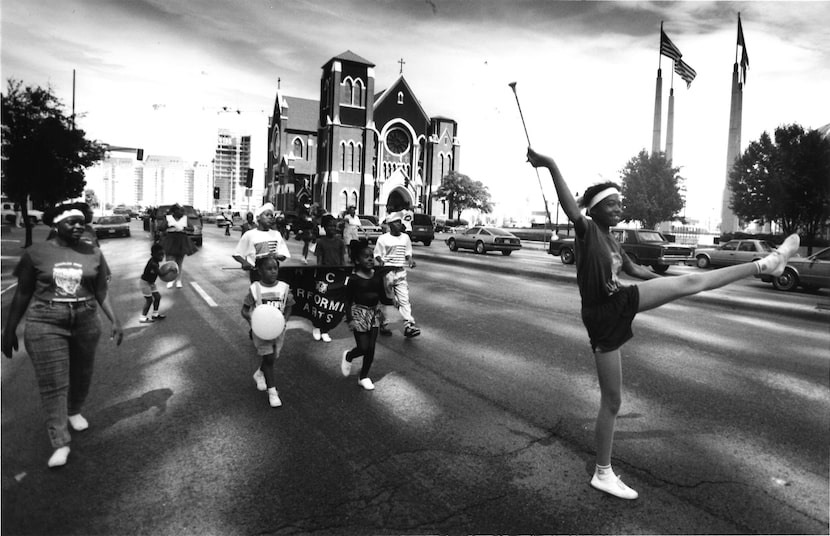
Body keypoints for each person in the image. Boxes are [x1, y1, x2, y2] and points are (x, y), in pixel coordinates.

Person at [526, 147, 800, 500]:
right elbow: (570, 207)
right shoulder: (587, 230)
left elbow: (635, 270)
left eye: (620, 203)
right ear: (594, 209)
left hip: (613, 306)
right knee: (690, 286)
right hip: (604, 311)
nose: (619, 208)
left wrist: (662, 274)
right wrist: (550, 164)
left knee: (612, 400)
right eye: (612, 204)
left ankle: (602, 473)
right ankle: (768, 264)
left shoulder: (612, 240)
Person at [1, 203, 124, 468]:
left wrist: (115, 320)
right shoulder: (36, 253)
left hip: (86, 318)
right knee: (54, 384)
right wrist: (8, 329)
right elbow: (22, 293)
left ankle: (74, 410)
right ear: (57, 224)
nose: (79, 226)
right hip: (46, 320)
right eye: (72, 222)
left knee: (82, 375)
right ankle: (60, 442)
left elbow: (101, 289)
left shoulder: (94, 252)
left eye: (82, 221)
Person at [241, 255, 294, 408]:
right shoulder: (255, 289)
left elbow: (289, 305)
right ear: (260, 271)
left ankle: (259, 373)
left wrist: (285, 320)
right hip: (261, 332)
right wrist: (253, 320)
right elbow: (244, 310)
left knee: (273, 357)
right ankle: (272, 392)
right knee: (269, 358)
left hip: (278, 330)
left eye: (275, 268)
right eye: (268, 269)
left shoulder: (284, 287)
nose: (273, 272)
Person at [341, 239, 394, 390]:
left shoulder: (377, 277)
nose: (370, 259)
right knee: (363, 347)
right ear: (357, 260)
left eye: (372, 256)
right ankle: (349, 356)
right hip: (359, 313)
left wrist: (393, 302)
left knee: (371, 348)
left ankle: (363, 376)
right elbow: (347, 301)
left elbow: (383, 298)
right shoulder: (353, 280)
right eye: (366, 256)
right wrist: (350, 319)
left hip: (374, 314)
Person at [373, 211, 421, 338]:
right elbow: (377, 254)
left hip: (400, 272)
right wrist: (381, 262)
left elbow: (408, 252)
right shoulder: (383, 239)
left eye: (400, 222)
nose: (399, 225)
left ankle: (409, 325)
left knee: (404, 299)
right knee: (387, 301)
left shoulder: (405, 237)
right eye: (396, 222)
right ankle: (384, 323)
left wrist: (410, 260)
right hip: (387, 273)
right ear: (390, 224)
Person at [232, 203, 290, 283]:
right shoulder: (249, 234)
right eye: (267, 215)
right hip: (256, 275)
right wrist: (244, 262)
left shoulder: (276, 234)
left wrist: (276, 256)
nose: (270, 217)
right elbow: (236, 254)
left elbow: (283, 256)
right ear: (258, 218)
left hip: (273, 275)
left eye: (271, 216)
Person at [312, 214, 346, 342]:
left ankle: (325, 330)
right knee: (320, 303)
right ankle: (316, 326)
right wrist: (318, 275)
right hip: (323, 275)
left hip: (336, 277)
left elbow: (342, 260)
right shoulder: (321, 242)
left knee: (330, 304)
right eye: (329, 226)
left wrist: (344, 274)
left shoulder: (340, 242)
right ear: (324, 227)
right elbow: (319, 260)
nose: (332, 228)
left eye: (334, 225)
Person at [160, 203, 197, 289]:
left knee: (179, 262)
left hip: (181, 240)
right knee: (170, 262)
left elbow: (191, 229)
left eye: (181, 211)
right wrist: (168, 226)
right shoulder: (168, 218)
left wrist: (185, 229)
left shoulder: (185, 218)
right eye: (178, 211)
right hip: (170, 239)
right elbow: (161, 228)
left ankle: (179, 280)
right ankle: (170, 280)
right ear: (173, 212)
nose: (181, 213)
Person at [139, 243, 166, 323]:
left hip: (151, 283)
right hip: (145, 283)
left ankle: (155, 314)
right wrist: (170, 269)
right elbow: (161, 274)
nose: (162, 257)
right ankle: (142, 317)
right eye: (159, 255)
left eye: (162, 254)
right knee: (149, 300)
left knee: (157, 297)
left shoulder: (155, 261)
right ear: (153, 254)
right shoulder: (153, 263)